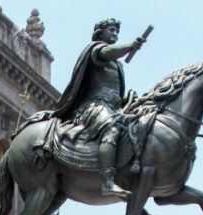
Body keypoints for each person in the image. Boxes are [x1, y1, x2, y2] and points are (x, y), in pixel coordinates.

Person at [53, 18, 147, 197]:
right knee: (112, 127)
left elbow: (116, 90)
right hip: (94, 105)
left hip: (113, 107)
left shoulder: (117, 65)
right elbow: (108, 52)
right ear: (100, 33)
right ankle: (107, 181)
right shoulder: (96, 50)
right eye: (111, 30)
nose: (115, 34)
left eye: (117, 31)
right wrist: (131, 46)